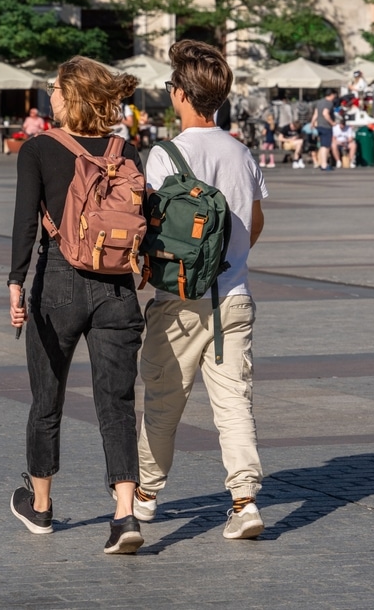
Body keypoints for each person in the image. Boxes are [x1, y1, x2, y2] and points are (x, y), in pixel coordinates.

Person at [7, 56, 146, 555]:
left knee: (47, 398)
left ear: (69, 96)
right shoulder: (123, 148)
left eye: (53, 88)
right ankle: (125, 513)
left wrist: (15, 283)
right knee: (118, 402)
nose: (49, 95)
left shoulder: (38, 148)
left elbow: (26, 222)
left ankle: (41, 507)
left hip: (58, 284)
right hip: (117, 286)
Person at [135, 39, 268, 541]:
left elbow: (154, 229)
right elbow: (254, 222)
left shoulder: (166, 155)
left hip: (179, 302)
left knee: (165, 402)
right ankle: (245, 501)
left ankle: (145, 496)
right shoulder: (241, 151)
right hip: (234, 295)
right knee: (235, 401)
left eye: (171, 85)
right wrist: (230, 260)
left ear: (183, 95)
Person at [311, 88, 337, 170]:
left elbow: (316, 113)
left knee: (323, 145)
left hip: (319, 126)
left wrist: (312, 122)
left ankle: (322, 163)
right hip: (326, 126)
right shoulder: (329, 103)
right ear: (332, 95)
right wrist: (332, 122)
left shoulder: (319, 102)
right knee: (326, 146)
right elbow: (325, 113)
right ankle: (324, 164)